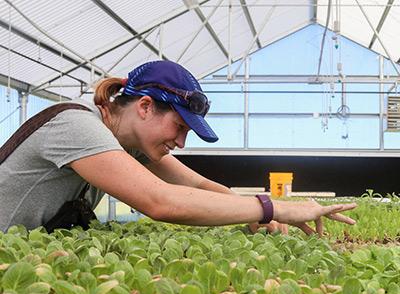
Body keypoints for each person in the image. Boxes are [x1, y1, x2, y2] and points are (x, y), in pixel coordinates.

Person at [0, 60, 356, 234]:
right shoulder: (76, 125)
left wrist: (259, 216)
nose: (181, 142)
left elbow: (198, 186)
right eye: (179, 127)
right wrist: (274, 207)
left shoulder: (127, 144)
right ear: (144, 107)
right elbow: (161, 202)